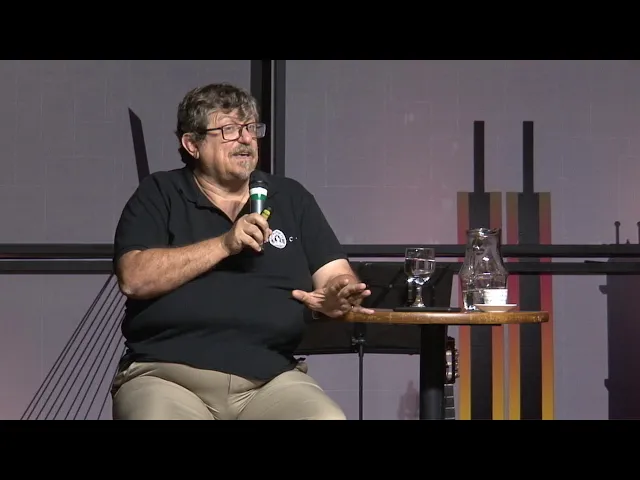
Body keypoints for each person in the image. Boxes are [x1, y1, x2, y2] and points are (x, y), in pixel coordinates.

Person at [110, 82, 374, 420]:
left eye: (251, 128)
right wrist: (224, 244)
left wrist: (339, 294)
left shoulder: (290, 198)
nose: (246, 139)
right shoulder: (160, 193)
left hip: (270, 380)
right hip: (168, 376)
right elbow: (134, 278)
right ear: (192, 144)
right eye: (230, 130)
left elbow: (336, 274)